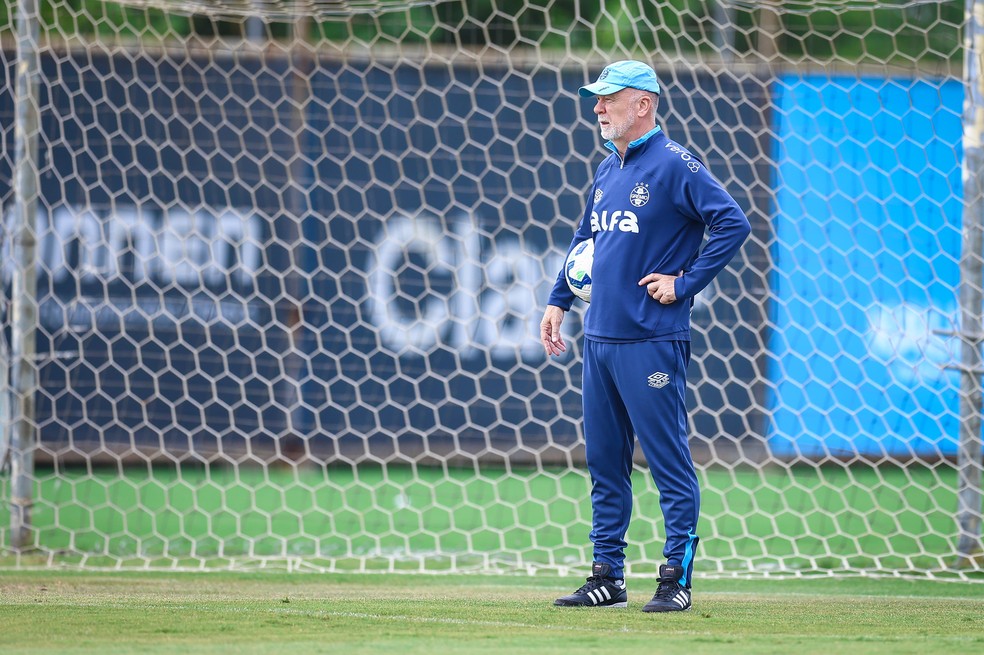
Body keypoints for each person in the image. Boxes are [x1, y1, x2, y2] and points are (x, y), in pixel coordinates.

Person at [540, 60, 750, 612]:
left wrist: (685, 284)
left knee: (667, 463)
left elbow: (733, 222)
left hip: (652, 341)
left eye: (610, 98)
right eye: (597, 98)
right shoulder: (609, 170)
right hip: (600, 341)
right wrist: (559, 300)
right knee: (605, 465)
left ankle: (675, 579)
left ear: (645, 105)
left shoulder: (676, 164)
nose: (598, 108)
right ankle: (607, 576)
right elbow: (586, 240)